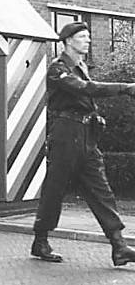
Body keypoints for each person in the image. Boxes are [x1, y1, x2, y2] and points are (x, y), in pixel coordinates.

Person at [31, 21, 135, 266]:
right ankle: (40, 240)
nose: (88, 40)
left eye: (88, 36)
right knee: (54, 190)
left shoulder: (81, 66)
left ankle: (119, 245)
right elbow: (85, 89)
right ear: (68, 41)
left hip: (85, 135)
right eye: (83, 37)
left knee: (101, 189)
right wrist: (125, 88)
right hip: (66, 135)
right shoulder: (58, 69)